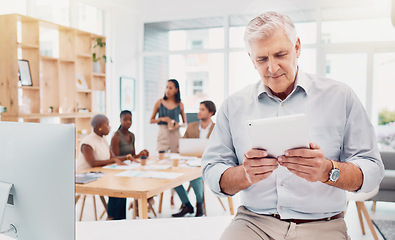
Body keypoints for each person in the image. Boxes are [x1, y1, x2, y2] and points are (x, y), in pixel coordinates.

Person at [202, 11, 384, 240]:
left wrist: (328, 171)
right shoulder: (233, 106)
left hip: (322, 226)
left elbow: (373, 170)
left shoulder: (340, 97)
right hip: (253, 222)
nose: (272, 68)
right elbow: (211, 170)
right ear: (251, 58)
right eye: (262, 59)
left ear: (297, 47)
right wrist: (244, 174)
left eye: (280, 54)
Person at [77, 114, 138, 220]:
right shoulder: (87, 143)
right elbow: (93, 163)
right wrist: (114, 160)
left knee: (122, 184)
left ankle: (119, 219)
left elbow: (112, 158)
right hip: (85, 177)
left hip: (99, 174)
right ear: (99, 126)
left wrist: (128, 157)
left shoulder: (103, 140)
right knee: (116, 185)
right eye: (107, 124)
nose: (109, 127)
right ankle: (112, 218)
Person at [172, 100, 216, 217]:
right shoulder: (192, 127)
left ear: (211, 113)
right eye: (199, 109)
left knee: (195, 175)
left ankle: (199, 204)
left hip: (209, 163)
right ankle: (187, 204)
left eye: (202, 109)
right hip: (190, 161)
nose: (199, 112)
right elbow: (181, 145)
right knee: (172, 176)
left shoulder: (217, 129)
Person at [109, 110, 150, 220]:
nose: (128, 122)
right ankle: (116, 216)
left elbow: (132, 155)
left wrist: (140, 154)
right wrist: (128, 158)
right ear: (120, 120)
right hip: (118, 170)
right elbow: (115, 158)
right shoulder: (116, 136)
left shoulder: (132, 136)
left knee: (147, 178)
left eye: (130, 119)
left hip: (129, 168)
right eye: (125, 119)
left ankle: (140, 208)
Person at [150, 79, 187, 153]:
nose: (167, 90)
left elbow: (185, 123)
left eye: (170, 88)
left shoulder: (180, 104)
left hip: (175, 134)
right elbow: (151, 120)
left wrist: (178, 125)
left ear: (176, 90)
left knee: (175, 157)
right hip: (163, 134)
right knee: (161, 157)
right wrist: (163, 119)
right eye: (166, 87)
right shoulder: (159, 102)